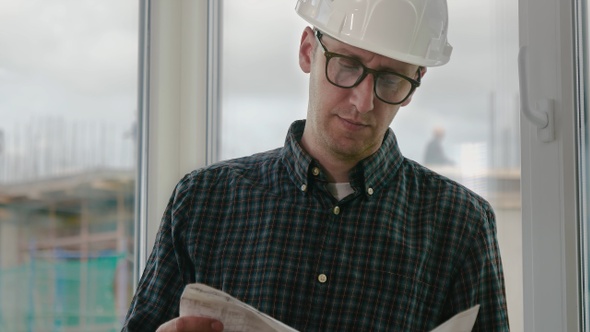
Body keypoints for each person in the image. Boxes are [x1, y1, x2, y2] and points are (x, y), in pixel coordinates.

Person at [123, 0, 509, 331]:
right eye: (347, 64)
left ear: (416, 81)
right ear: (308, 50)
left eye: (390, 80)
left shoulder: (461, 225)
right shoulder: (204, 200)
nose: (363, 102)